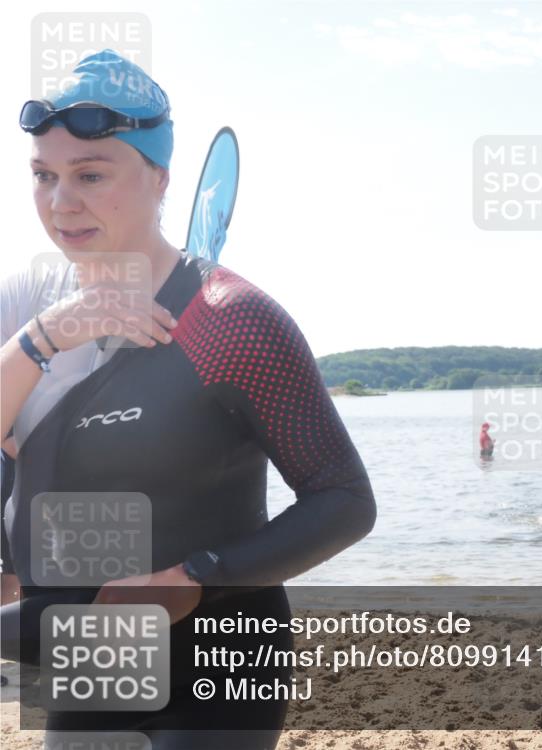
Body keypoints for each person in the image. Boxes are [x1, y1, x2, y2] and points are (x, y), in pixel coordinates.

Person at [1, 51, 376, 749]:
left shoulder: (232, 319)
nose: (61, 202)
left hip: (221, 660)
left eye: (90, 174)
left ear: (160, 178)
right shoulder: (25, 303)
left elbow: (345, 499)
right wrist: (44, 338)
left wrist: (195, 577)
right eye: (43, 175)